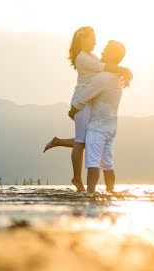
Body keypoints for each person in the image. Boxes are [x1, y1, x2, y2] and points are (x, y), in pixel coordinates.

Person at [43, 27, 132, 191]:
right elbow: (104, 67)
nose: (96, 42)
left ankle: (58, 141)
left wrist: (122, 70)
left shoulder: (92, 57)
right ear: (83, 39)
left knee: (86, 141)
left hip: (91, 101)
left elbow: (105, 65)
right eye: (92, 38)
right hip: (82, 102)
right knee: (80, 142)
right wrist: (124, 70)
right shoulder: (82, 58)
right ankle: (77, 179)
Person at [68, 40, 127, 193]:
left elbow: (83, 97)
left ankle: (90, 193)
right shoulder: (116, 77)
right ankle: (110, 191)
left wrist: (72, 111)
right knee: (108, 164)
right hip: (111, 126)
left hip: (98, 127)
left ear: (113, 54)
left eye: (106, 50)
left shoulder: (103, 78)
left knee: (93, 162)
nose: (102, 53)